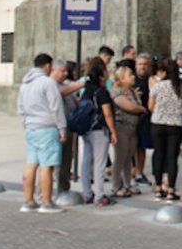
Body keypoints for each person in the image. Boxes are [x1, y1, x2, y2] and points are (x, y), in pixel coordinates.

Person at [17, 53, 66, 214]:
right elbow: (56, 107)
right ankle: (46, 201)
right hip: (47, 127)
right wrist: (62, 128)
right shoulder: (47, 83)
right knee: (47, 166)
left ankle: (29, 201)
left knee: (31, 164)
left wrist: (26, 123)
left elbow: (20, 108)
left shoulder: (25, 84)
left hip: (31, 128)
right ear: (47, 66)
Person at [149, 57, 182, 202]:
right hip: (175, 124)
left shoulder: (158, 86)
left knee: (159, 155)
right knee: (172, 157)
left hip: (158, 123)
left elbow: (150, 106)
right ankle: (171, 190)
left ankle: (158, 188)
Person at [80, 60, 118, 207]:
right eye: (105, 72)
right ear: (101, 76)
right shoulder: (101, 92)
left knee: (86, 161)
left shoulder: (87, 91)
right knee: (99, 163)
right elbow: (107, 114)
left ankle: (87, 193)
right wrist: (113, 132)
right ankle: (100, 195)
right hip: (99, 130)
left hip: (86, 129)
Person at [110, 66, 146, 199]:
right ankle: (115, 186)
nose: (133, 77)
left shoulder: (132, 91)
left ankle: (127, 184)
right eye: (130, 75)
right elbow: (129, 106)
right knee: (120, 157)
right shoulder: (117, 92)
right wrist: (142, 109)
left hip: (133, 128)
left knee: (129, 158)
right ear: (122, 78)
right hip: (121, 127)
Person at [52, 59, 83, 193]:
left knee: (66, 161)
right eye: (62, 71)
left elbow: (74, 101)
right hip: (57, 128)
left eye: (66, 71)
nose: (65, 73)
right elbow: (63, 91)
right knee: (55, 162)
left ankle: (64, 189)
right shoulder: (51, 84)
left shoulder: (65, 84)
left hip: (69, 127)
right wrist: (80, 84)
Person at [133, 53, 155, 187]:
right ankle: (131, 172)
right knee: (130, 148)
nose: (142, 67)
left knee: (141, 146)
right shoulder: (130, 80)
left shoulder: (151, 80)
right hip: (131, 117)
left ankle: (139, 172)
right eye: (140, 64)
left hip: (146, 118)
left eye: (145, 64)